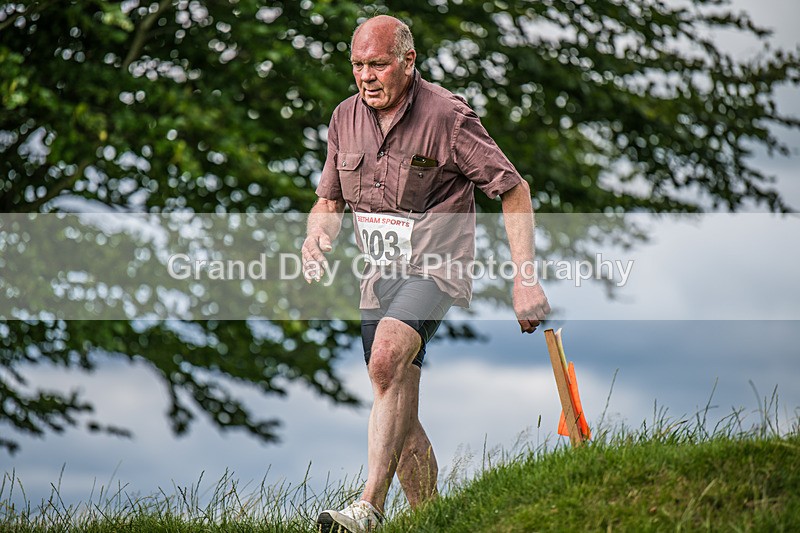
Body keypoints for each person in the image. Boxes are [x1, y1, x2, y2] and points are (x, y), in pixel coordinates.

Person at [302, 14, 550, 533]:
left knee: (385, 361)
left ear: (408, 61)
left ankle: (368, 508)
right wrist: (317, 235)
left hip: (436, 266)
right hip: (379, 274)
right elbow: (328, 198)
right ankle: (431, 521)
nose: (366, 77)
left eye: (378, 64)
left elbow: (513, 188)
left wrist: (524, 277)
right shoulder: (343, 118)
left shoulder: (448, 118)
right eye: (357, 66)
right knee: (399, 406)